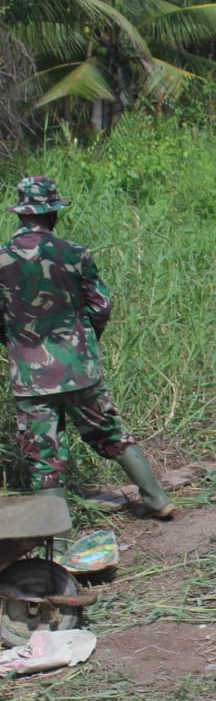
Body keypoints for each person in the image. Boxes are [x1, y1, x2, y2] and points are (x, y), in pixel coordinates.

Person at [0, 176, 175, 518]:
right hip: (80, 368)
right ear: (52, 212)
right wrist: (84, 341)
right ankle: (157, 500)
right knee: (110, 431)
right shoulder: (75, 253)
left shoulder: (2, 259)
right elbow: (101, 306)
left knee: (44, 457)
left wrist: (14, 343)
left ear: (21, 213)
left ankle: (57, 538)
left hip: (30, 376)